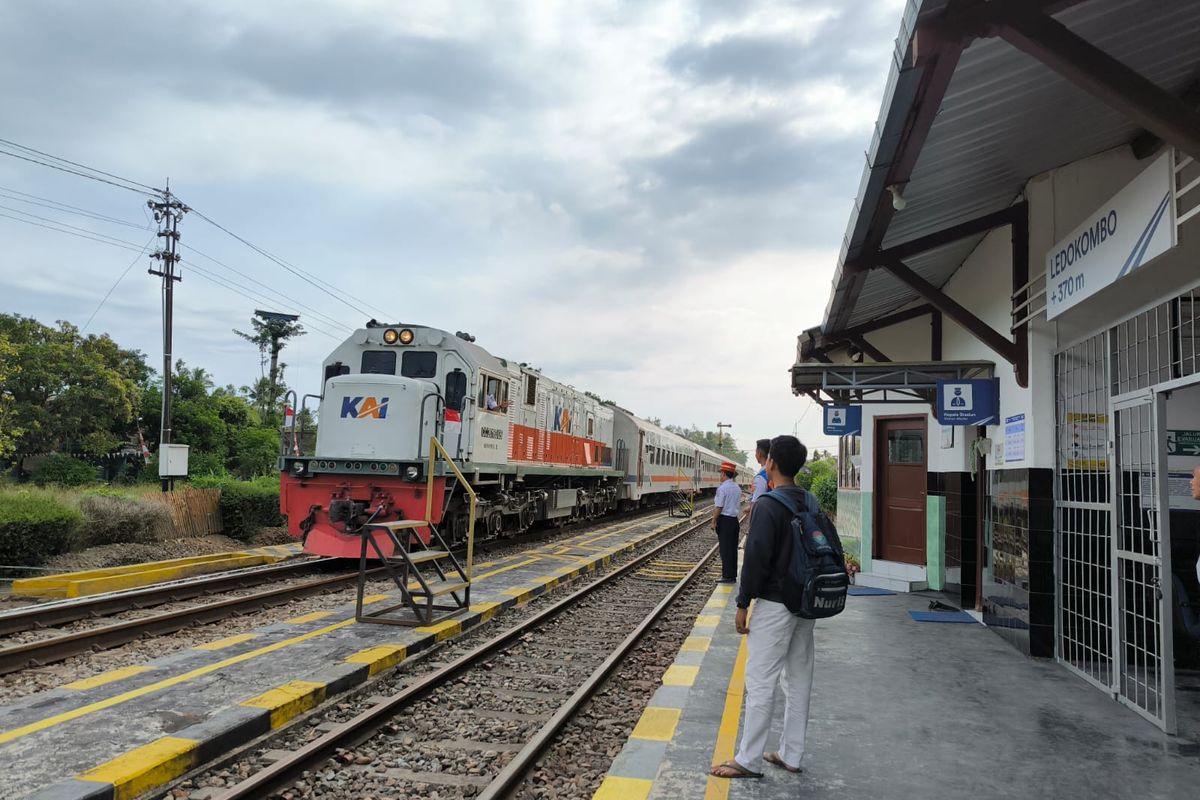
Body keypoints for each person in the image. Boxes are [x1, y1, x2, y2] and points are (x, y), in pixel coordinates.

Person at [711, 434, 812, 780]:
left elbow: (754, 560)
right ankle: (791, 754)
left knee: (761, 680)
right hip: (804, 603)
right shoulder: (807, 500)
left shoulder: (768, 504)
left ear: (770, 463)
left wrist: (742, 602)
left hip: (774, 604)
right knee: (798, 680)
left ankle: (748, 759)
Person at [711, 461, 742, 584]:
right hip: (734, 520)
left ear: (724, 473)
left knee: (725, 549)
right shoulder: (737, 488)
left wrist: (714, 521)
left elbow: (719, 506)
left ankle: (727, 577)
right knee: (732, 548)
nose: (720, 475)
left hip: (725, 521)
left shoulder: (722, 488)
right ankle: (731, 575)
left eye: (720, 473)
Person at [748, 438, 771, 523]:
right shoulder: (772, 473)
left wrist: (751, 529)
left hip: (762, 520)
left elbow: (755, 505)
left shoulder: (761, 477)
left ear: (759, 454)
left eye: (755, 452)